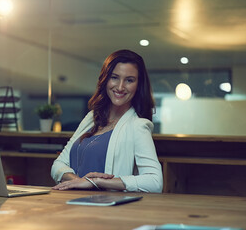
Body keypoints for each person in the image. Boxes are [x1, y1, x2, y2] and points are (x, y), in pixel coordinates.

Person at [51, 49, 163, 193]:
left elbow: (155, 182)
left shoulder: (138, 126)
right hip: (72, 205)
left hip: (106, 210)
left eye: (129, 80)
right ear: (105, 79)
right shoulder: (91, 118)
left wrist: (96, 182)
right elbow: (58, 164)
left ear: (138, 85)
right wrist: (79, 182)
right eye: (114, 77)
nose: (120, 87)